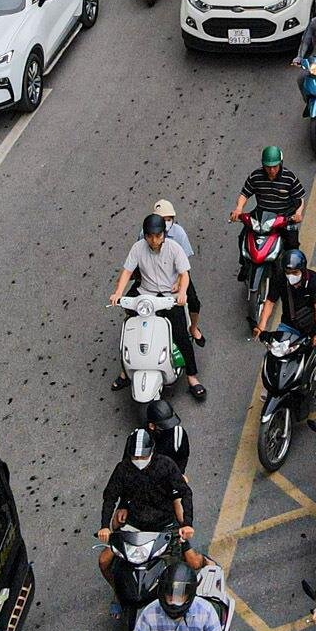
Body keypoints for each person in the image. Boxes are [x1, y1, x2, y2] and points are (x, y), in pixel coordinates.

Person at [108, 213, 206, 400]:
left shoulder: (174, 248)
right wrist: (118, 293)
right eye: (150, 236)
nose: (154, 240)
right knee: (130, 329)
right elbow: (127, 271)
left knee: (181, 336)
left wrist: (182, 292)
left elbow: (184, 274)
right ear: (145, 235)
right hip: (147, 294)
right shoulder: (138, 248)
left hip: (169, 297)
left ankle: (192, 376)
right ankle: (125, 372)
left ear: (163, 234)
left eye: (158, 235)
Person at [98, 430, 206, 580]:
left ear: (152, 452)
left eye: (143, 456)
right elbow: (110, 497)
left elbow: (185, 492)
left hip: (165, 525)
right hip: (135, 525)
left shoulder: (166, 465)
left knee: (193, 562)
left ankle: (208, 564)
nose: (139, 460)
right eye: (135, 457)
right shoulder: (122, 469)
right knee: (104, 561)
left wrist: (187, 524)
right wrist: (104, 526)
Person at [255, 248, 316, 401]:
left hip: (313, 327)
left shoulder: (315, 280)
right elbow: (270, 302)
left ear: (302, 269)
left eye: (294, 272)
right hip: (289, 326)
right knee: (273, 353)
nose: (291, 276)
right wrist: (261, 326)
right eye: (288, 272)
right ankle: (268, 385)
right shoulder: (279, 279)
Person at [232, 146, 308, 255]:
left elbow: (299, 197)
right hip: (261, 216)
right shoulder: (255, 176)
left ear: (280, 163)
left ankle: (293, 271)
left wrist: (298, 214)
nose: (271, 170)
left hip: (284, 217)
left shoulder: (289, 178)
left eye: (275, 166)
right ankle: (245, 265)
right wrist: (239, 209)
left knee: (292, 247)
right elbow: (244, 194)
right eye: (268, 167)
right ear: (263, 164)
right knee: (243, 237)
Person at [130, 562, 225, 631]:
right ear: (163, 593)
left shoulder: (207, 613)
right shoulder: (149, 613)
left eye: (179, 595)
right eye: (169, 594)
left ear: (189, 595)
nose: (173, 600)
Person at [149, 198, 202, 344]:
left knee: (193, 301)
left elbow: (184, 263)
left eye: (168, 219)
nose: (166, 222)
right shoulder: (146, 232)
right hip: (154, 274)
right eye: (162, 219)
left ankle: (194, 328)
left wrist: (179, 281)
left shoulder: (179, 233)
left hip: (178, 272)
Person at [145, 398, 191, 475]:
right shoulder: (140, 438)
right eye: (163, 426)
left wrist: (179, 475)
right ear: (151, 426)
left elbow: (183, 457)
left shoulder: (178, 433)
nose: (169, 428)